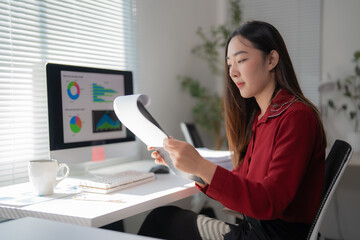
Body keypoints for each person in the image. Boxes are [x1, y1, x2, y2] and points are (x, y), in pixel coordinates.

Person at [138, 20, 326, 240]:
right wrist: (186, 166)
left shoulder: (296, 117)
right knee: (164, 219)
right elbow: (243, 180)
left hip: (267, 235)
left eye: (242, 60)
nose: (233, 72)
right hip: (257, 230)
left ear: (272, 60)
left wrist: (201, 165)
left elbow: (268, 202)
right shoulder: (262, 118)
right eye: (229, 64)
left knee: (162, 221)